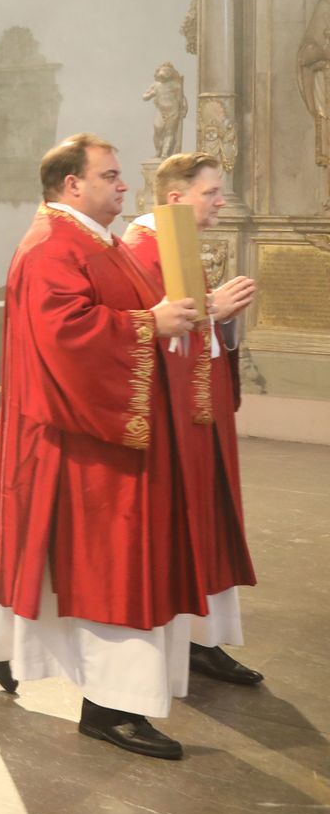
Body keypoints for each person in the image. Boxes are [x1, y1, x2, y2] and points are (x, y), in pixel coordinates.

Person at [0, 134, 202, 760]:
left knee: (53, 563)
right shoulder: (51, 247)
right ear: (71, 184)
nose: (123, 187)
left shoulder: (96, 241)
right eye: (110, 176)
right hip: (79, 436)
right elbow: (66, 336)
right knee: (110, 570)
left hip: (99, 431)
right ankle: (112, 710)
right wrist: (149, 325)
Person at [122, 151, 262, 689]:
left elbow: (192, 327)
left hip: (198, 416)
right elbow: (155, 334)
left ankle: (204, 639)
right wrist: (211, 311)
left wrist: (218, 319)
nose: (222, 201)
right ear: (176, 198)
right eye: (212, 192)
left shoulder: (176, 244)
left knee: (206, 527)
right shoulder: (140, 249)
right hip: (169, 422)